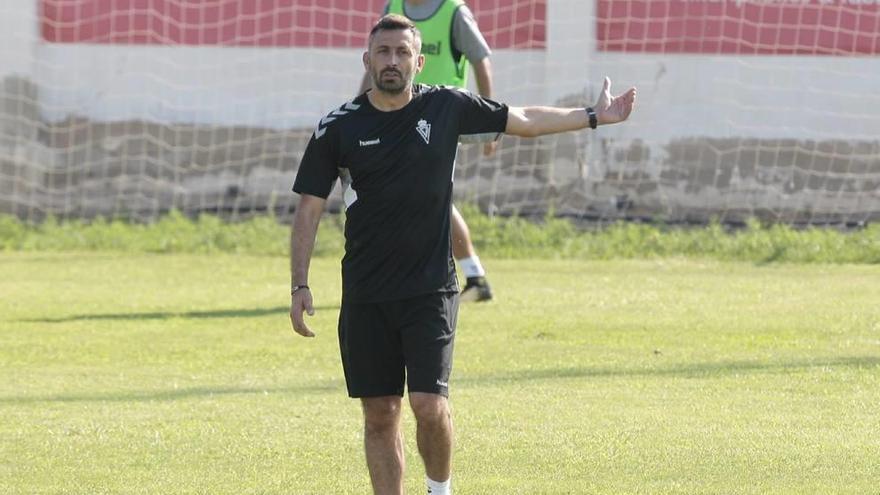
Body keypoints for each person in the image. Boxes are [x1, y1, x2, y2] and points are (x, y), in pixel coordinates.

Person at [290, 14, 636, 495]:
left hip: (430, 287)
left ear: (419, 60)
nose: (392, 62)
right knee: (380, 413)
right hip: (367, 294)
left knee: (429, 405)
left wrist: (594, 115)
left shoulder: (446, 106)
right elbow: (308, 209)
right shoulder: (338, 127)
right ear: (367, 60)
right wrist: (300, 284)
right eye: (383, 53)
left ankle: (440, 489)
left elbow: (524, 120)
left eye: (402, 53)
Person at [359, 0, 498, 302]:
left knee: (427, 195)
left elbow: (481, 60)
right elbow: (376, 61)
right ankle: (470, 275)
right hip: (396, 119)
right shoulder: (393, 8)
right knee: (416, 195)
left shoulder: (454, 12)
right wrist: (359, 107)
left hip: (441, 122)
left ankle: (470, 275)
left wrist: (489, 120)